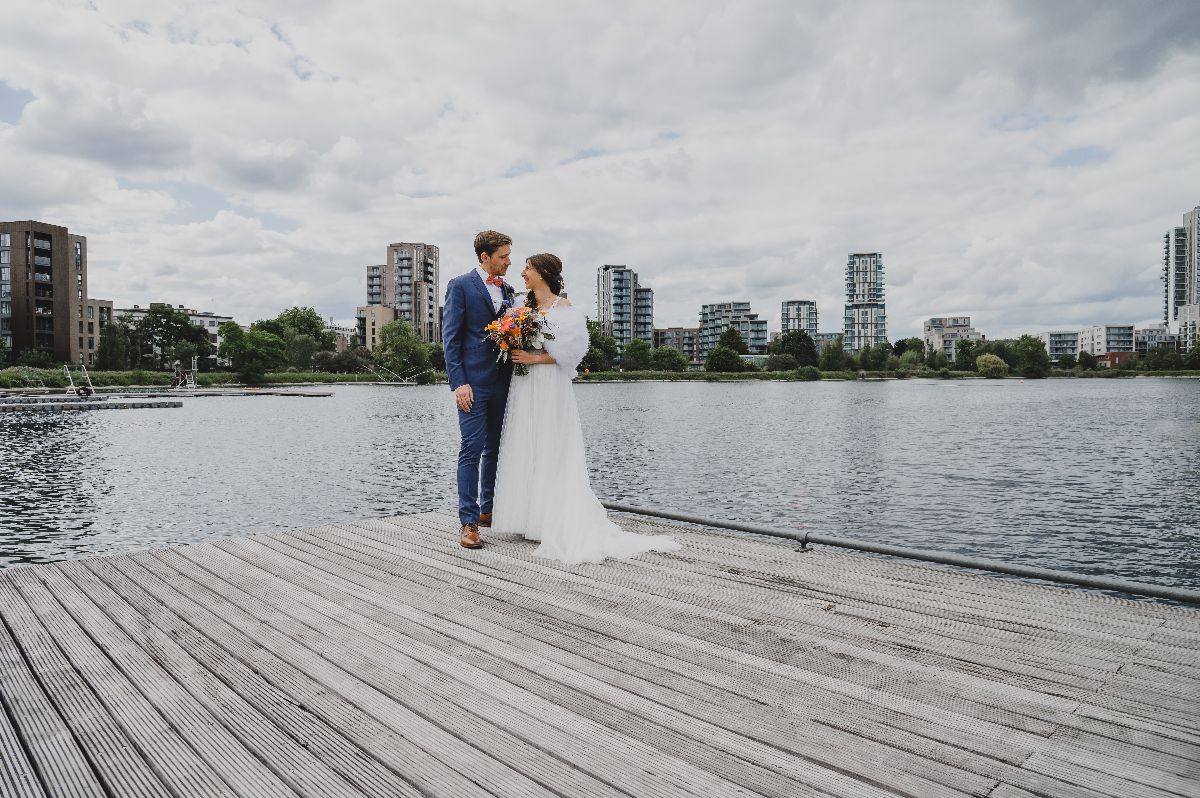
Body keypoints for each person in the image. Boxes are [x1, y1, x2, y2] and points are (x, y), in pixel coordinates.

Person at [491, 253, 681, 564]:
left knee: (552, 444)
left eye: (528, 267)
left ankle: (550, 518)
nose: (523, 272)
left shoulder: (563, 308)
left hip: (550, 384)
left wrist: (534, 358)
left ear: (543, 273)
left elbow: (572, 353)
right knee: (527, 442)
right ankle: (528, 518)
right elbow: (512, 340)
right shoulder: (520, 308)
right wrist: (510, 343)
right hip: (524, 386)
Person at [442, 230, 516, 549]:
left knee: (496, 448)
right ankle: (468, 522)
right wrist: (459, 383)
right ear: (484, 257)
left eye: (509, 255)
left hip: (504, 382)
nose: (509, 261)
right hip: (472, 384)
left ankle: (488, 509)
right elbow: (451, 339)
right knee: (471, 448)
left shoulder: (511, 291)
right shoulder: (460, 286)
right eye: (503, 256)